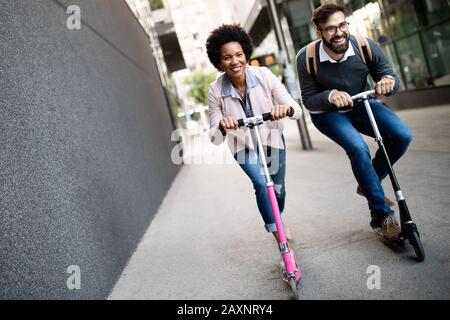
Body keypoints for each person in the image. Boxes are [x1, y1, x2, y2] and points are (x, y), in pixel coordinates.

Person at [296, 4, 413, 240]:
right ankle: (381, 215)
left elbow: (390, 75)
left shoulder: (365, 46)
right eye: (330, 29)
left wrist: (388, 83)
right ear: (319, 33)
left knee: (402, 135)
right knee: (358, 147)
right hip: (328, 114)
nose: (338, 32)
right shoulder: (306, 57)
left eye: (342, 25)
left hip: (361, 104)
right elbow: (308, 100)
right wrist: (330, 95)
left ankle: (369, 182)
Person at [205, 24, 302, 244]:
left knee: (278, 189)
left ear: (246, 55)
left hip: (272, 139)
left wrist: (284, 109)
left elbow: (296, 110)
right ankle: (280, 240)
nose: (235, 61)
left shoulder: (264, 74)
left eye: (239, 55)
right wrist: (221, 125)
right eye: (227, 57)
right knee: (261, 183)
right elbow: (214, 137)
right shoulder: (215, 90)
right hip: (242, 147)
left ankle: (278, 217)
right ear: (219, 62)